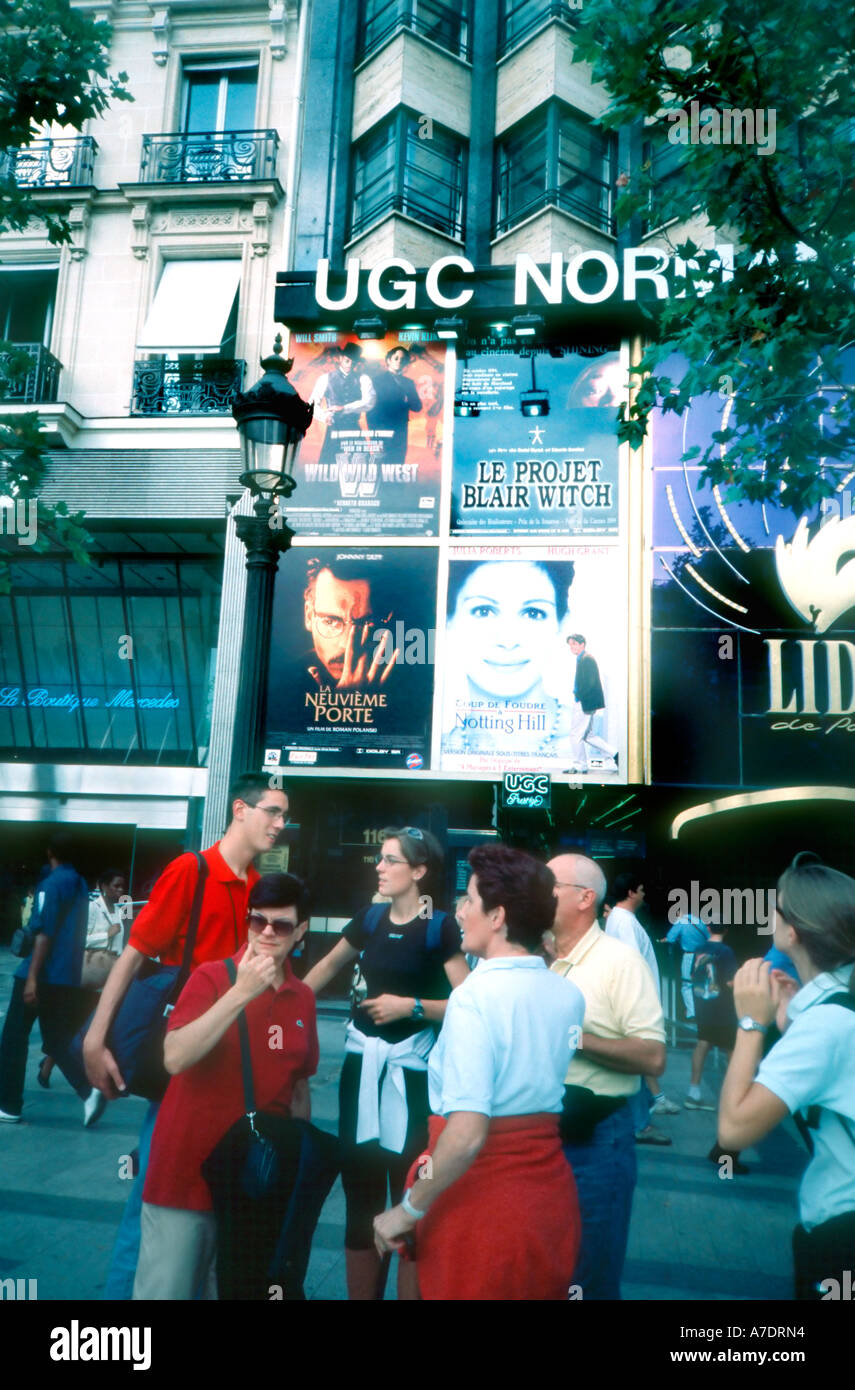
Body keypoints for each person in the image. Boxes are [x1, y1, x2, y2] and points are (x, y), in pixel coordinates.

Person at [83, 772, 290, 1300]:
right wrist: (94, 1038)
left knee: (199, 1205)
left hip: (227, 1069)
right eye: (273, 811)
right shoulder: (191, 870)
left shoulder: (252, 889)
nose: (280, 824)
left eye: (285, 816)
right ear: (240, 810)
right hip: (185, 1059)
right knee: (153, 1200)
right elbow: (134, 954)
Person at [374, 844, 585, 1301]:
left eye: (469, 900)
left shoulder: (474, 998)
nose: (460, 910)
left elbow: (467, 1132)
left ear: (497, 917)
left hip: (480, 1202)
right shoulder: (568, 995)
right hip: (548, 1196)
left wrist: (407, 1210)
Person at [132, 873, 317, 1300]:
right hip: (186, 1177)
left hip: (251, 1184)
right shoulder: (211, 978)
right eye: (258, 922)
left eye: (282, 925)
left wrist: (292, 1173)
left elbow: (299, 1090)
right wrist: (240, 994)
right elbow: (175, 1056)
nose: (268, 933)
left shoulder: (302, 998)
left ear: (301, 931)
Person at [303, 825, 468, 1300]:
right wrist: (280, 1003)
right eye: (379, 858)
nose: (379, 866)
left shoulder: (440, 926)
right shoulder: (370, 919)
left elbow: (468, 1004)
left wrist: (410, 1006)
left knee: (410, 1191)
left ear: (419, 871)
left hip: (413, 1078)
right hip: (361, 1073)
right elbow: (325, 968)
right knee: (359, 1191)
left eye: (391, 860)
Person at [718, 854, 855, 1299]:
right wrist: (792, 1022)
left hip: (843, 1233)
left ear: (791, 931)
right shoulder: (835, 1006)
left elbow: (734, 1129)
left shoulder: (827, 1025)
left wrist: (750, 1024)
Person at [547, 853, 666, 1299]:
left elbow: (654, 1056)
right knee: (547, 1264)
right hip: (540, 1132)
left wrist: (577, 1039)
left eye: (550, 884)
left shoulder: (620, 962)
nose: (539, 892)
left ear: (585, 897)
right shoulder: (537, 958)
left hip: (597, 1139)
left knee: (588, 1269)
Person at [0, 832, 101, 1127]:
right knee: (57, 1039)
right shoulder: (81, 884)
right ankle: (90, 1091)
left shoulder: (50, 885)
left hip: (41, 972)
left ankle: (8, 1104)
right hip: (66, 975)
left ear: (49, 852)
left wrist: (32, 978)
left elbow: (44, 933)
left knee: (14, 1039)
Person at [442, 558, 573, 758]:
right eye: (483, 611)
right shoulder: (438, 753)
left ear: (561, 625)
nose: (508, 641)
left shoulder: (593, 745)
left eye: (533, 613)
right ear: (448, 620)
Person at [607, 871, 678, 1137]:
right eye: (641, 888)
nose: (645, 893)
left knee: (636, 1063)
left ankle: (647, 1109)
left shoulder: (621, 919)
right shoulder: (624, 922)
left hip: (633, 1002)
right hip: (635, 1004)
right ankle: (640, 1124)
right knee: (637, 1061)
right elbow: (631, 965)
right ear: (631, 892)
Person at [301, 555, 398, 691]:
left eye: (365, 623)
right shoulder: (278, 683)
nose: (346, 645)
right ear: (309, 616)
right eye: (330, 621)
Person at [687, 921, 738, 1113]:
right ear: (726, 929)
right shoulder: (726, 952)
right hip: (723, 1006)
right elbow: (730, 981)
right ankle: (732, 1097)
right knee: (731, 1049)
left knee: (702, 1043)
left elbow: (693, 975)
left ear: (708, 928)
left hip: (703, 1003)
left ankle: (694, 1091)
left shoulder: (699, 949)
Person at [309, 343, 376, 465]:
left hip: (354, 430)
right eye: (347, 360)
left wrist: (345, 408)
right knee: (329, 468)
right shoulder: (325, 378)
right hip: (334, 429)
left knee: (360, 469)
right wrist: (325, 417)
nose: (350, 365)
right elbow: (311, 404)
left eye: (353, 362)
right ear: (340, 358)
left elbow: (370, 401)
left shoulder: (363, 379)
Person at [565, 634, 618, 773]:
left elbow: (589, 682)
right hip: (586, 702)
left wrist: (579, 697)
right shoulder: (583, 658)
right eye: (570, 645)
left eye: (574, 644)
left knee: (575, 734)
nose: (572, 647)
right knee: (588, 735)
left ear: (582, 644)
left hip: (584, 703)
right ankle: (615, 754)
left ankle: (579, 765)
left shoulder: (586, 659)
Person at [365, 346, 421, 462]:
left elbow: (417, 407)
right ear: (389, 360)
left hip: (400, 432)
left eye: (402, 359)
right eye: (396, 358)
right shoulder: (376, 381)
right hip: (382, 432)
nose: (399, 361)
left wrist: (408, 399)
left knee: (398, 464)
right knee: (381, 466)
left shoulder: (408, 383)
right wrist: (375, 437)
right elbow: (371, 411)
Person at [662, 911, 709, 1021]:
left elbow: (670, 938)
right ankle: (704, 1011)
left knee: (687, 984)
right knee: (702, 983)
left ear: (678, 912)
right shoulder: (700, 921)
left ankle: (692, 1013)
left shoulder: (681, 922)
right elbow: (708, 937)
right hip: (703, 956)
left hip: (689, 956)